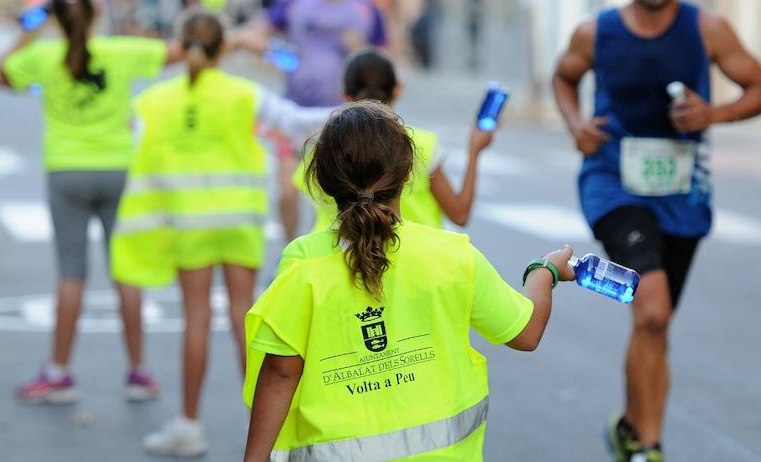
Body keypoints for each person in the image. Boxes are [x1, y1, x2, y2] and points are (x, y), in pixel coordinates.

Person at [551, 0, 761, 462]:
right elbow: (563, 77)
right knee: (649, 307)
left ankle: (632, 427)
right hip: (613, 185)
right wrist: (577, 126)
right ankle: (649, 448)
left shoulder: (707, 29)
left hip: (682, 196)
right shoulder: (595, 31)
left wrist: (713, 114)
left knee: (656, 321)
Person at [242, 101, 574, 461]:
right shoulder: (451, 254)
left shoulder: (302, 263)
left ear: (322, 179)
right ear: (406, 175)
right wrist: (545, 272)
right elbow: (525, 333)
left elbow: (281, 372)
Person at [109, 12, 332, 457]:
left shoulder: (153, 102)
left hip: (187, 222)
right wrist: (363, 108)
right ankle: (277, 428)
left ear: (182, 44)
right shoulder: (244, 94)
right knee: (244, 318)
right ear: (221, 48)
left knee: (196, 320)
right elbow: (297, 121)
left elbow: (135, 149)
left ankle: (189, 426)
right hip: (239, 221)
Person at [0, 0, 182, 404]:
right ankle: (138, 372)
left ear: (56, 18)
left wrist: (31, 26)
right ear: (95, 14)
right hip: (119, 168)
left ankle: (59, 372)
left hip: (66, 171)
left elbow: (2, 72)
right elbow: (176, 52)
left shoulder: (42, 56)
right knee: (127, 272)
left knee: (71, 273)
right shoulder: (120, 51)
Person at [232, 0, 387, 243]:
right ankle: (290, 253)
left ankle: (347, 255)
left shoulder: (365, 9)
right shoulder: (298, 2)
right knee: (287, 190)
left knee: (343, 195)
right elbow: (252, 34)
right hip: (294, 114)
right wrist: (278, 55)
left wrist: (364, 48)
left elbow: (390, 56)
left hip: (344, 115)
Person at [294, 48, 495, 233]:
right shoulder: (421, 143)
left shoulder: (323, 144)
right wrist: (474, 152)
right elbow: (459, 214)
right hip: (417, 258)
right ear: (398, 89)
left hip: (334, 255)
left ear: (346, 95)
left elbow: (317, 213)